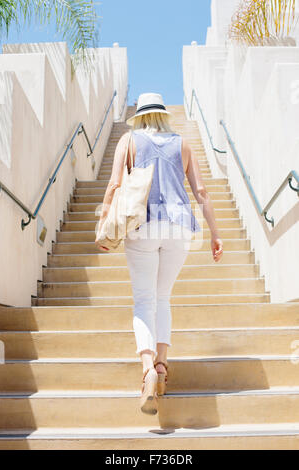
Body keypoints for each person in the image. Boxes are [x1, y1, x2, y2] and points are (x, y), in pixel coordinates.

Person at [96, 93, 223, 415]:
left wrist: (103, 224)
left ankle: (147, 369)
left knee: (144, 299)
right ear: (164, 115)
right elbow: (202, 191)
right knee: (163, 297)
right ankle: (163, 367)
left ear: (138, 117)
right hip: (180, 227)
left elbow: (113, 185)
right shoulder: (182, 143)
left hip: (143, 225)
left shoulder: (128, 140)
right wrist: (215, 234)